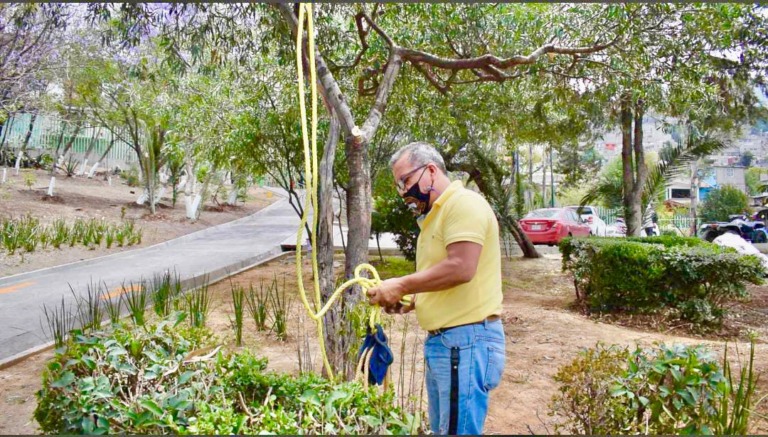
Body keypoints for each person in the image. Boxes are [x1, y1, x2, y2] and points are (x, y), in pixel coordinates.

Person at [366, 142, 505, 435]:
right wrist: (413, 299)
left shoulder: (463, 204)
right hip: (448, 343)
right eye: (398, 185)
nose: (403, 192)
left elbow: (461, 267)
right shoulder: (434, 216)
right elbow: (445, 274)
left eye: (406, 180)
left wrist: (402, 283)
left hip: (465, 341)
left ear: (431, 170)